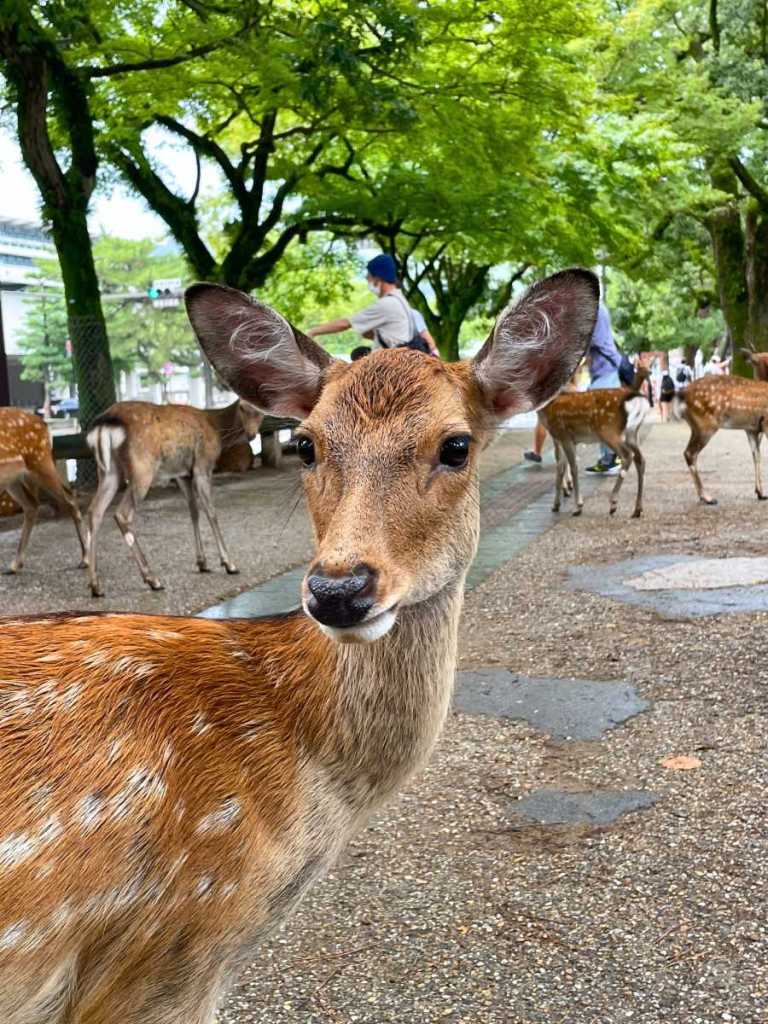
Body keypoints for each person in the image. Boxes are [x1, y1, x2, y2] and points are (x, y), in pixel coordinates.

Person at [306, 254, 440, 356]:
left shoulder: (387, 304)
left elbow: (345, 323)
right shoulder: (400, 300)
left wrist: (313, 332)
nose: (367, 279)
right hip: (402, 360)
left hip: (390, 365)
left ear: (378, 278)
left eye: (369, 276)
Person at [583, 302, 622, 475]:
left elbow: (595, 339)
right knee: (602, 417)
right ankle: (608, 458)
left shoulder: (596, 309)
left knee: (602, 417)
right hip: (604, 370)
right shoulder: (597, 307)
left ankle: (613, 458)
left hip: (606, 370)